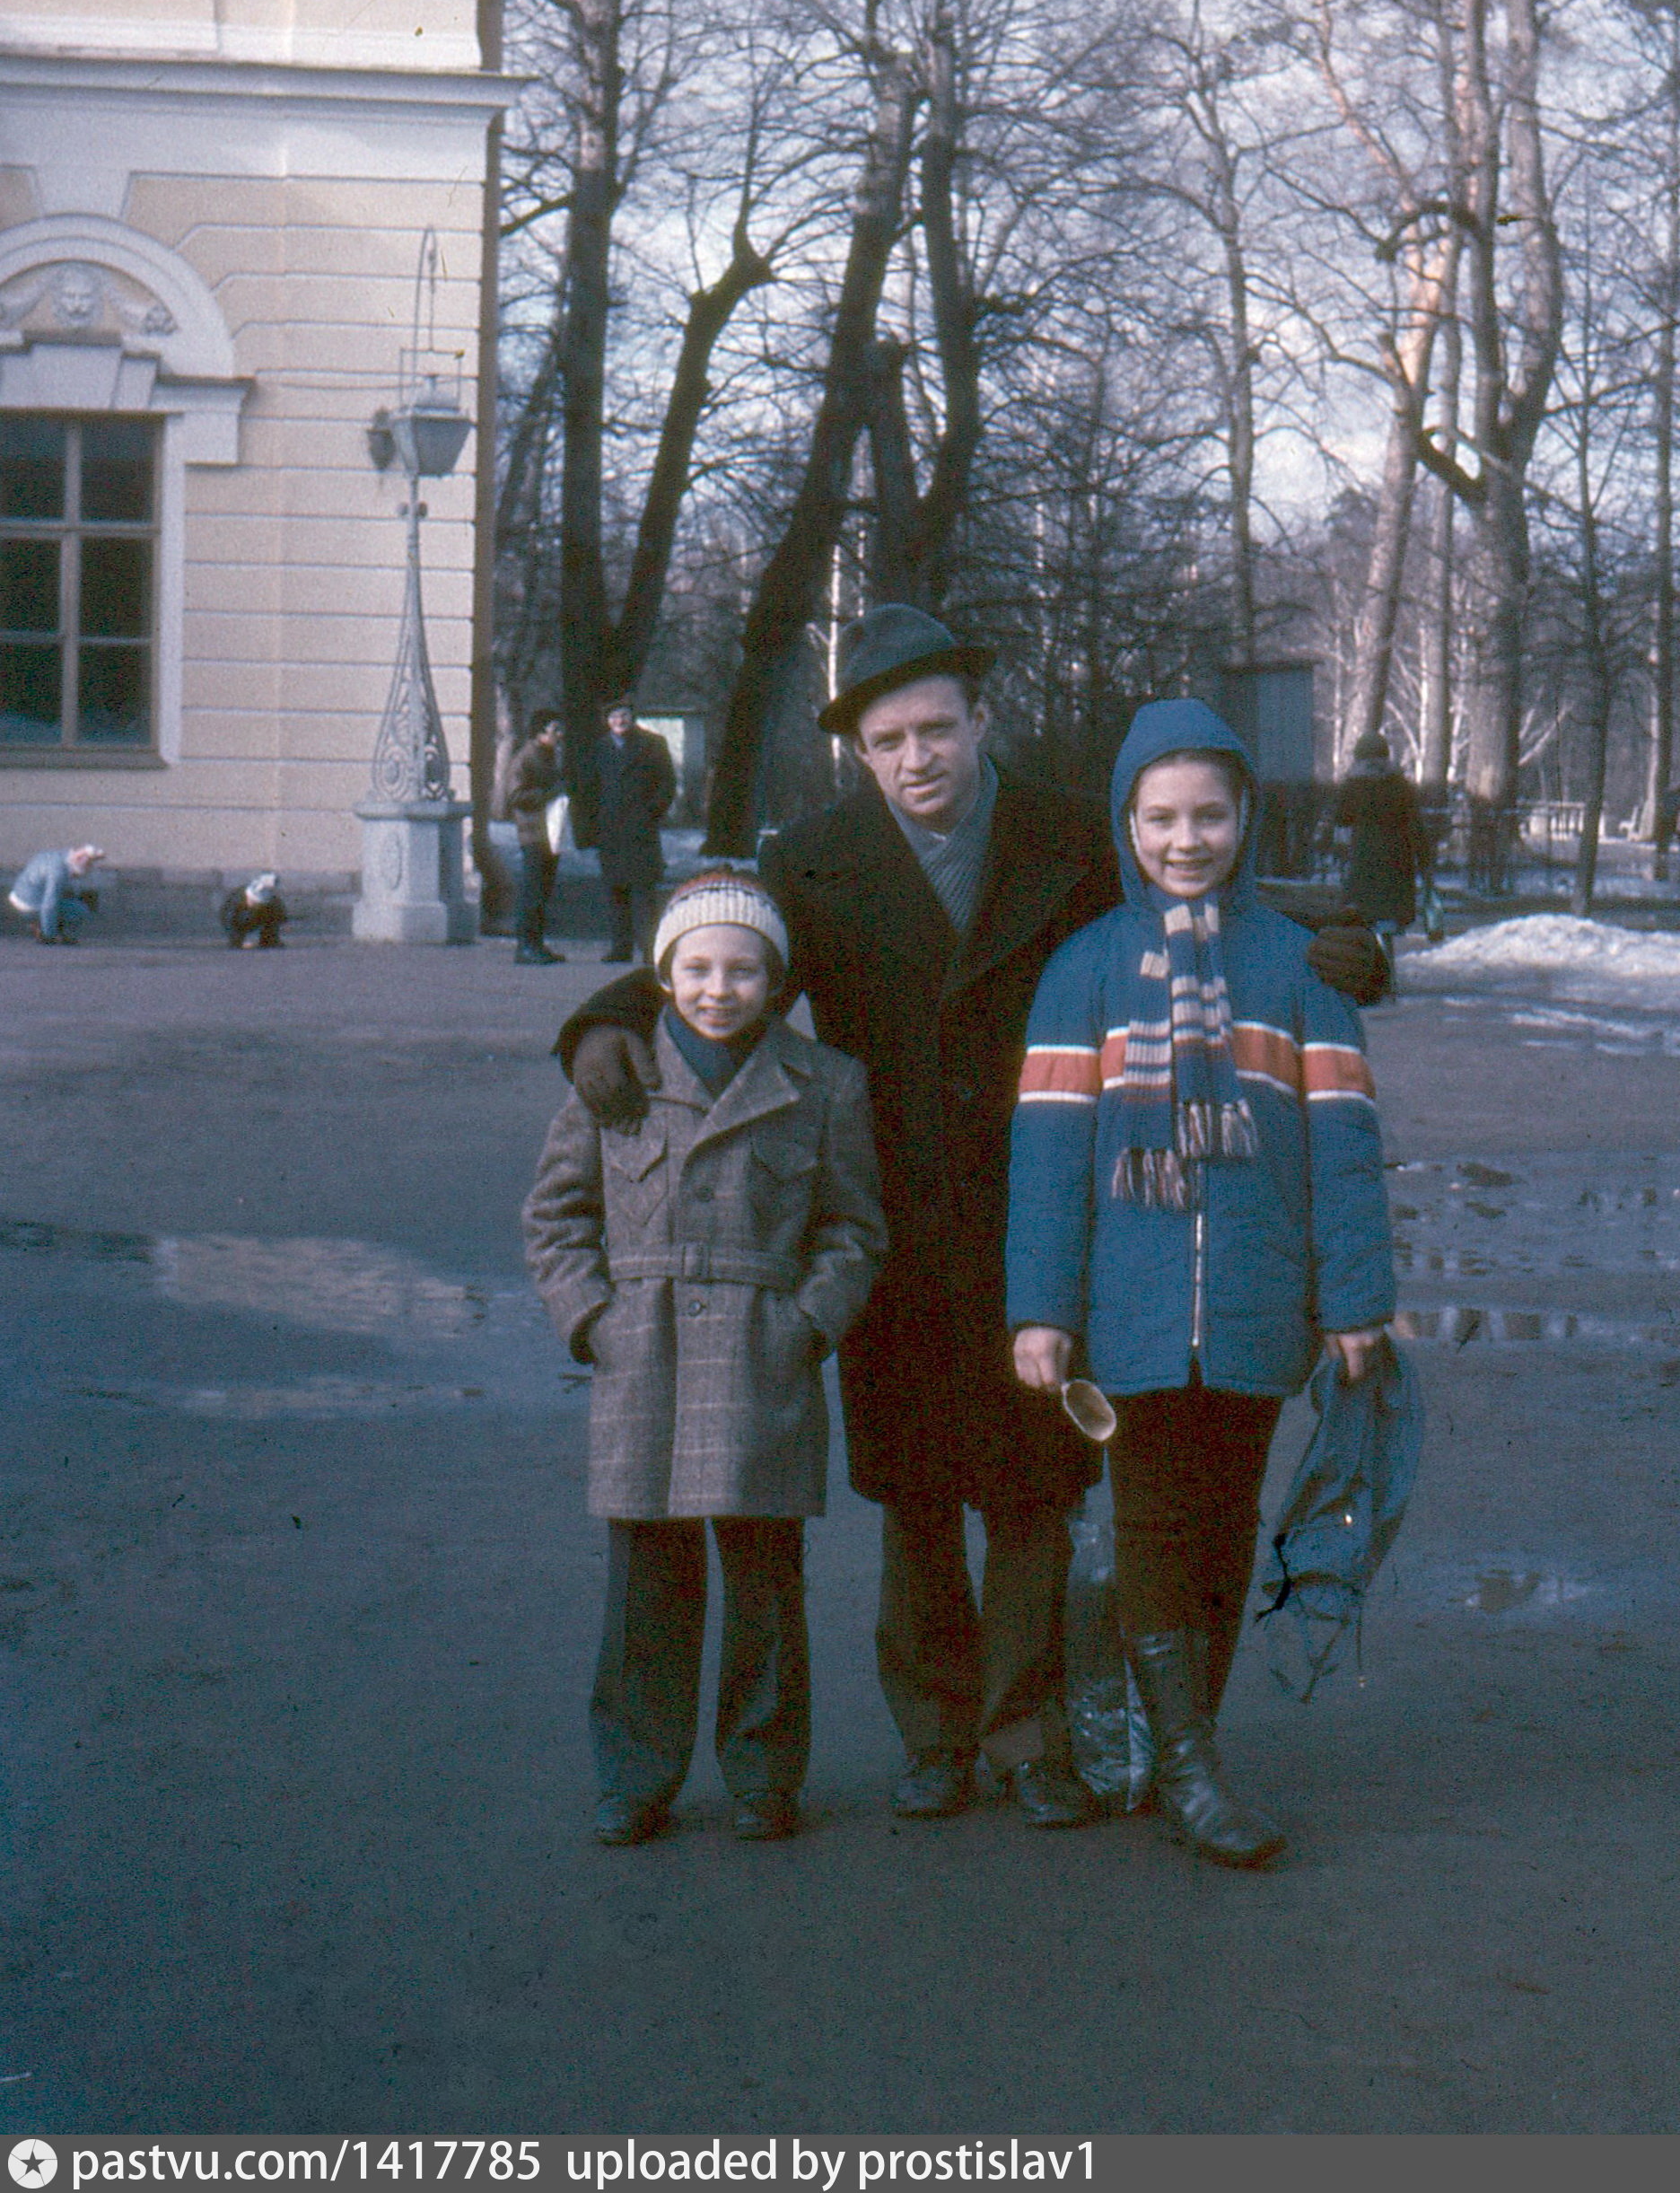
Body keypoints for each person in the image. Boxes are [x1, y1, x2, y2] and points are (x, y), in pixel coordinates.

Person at [556, 606, 1387, 1831]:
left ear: (980, 720)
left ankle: (1029, 1734)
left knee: (1035, 1492)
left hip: (1046, 1209)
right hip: (889, 1217)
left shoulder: (1069, 828)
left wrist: (1341, 941)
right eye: (888, 740)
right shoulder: (814, 855)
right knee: (917, 1499)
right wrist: (602, 1021)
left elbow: (1193, 883)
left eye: (936, 728)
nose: (917, 758)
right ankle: (936, 1734)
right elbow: (724, 951)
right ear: (860, 752)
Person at [1008, 699, 1396, 1869]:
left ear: (1246, 818)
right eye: (1162, 816)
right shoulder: (1082, 968)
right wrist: (1041, 1308)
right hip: (1126, 1314)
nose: (1187, 839)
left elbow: (1344, 1144)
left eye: (1210, 815)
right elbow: (1048, 1157)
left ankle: (1188, 1743)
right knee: (1150, 1525)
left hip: (1255, 1303)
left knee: (1225, 1530)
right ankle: (1187, 1768)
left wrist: (1355, 1299)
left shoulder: (1299, 966)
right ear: (1126, 822)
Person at [523, 870, 886, 1848]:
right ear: (664, 974)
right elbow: (555, 1216)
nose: (718, 989)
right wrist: (594, 1321)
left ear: (777, 981)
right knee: (646, 1582)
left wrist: (807, 1324)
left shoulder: (825, 1083)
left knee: (765, 1579)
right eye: (697, 968)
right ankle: (635, 1775)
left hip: (763, 1358)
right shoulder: (616, 1076)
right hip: (643, 1355)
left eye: (743, 970)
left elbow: (854, 1229)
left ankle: (764, 1774)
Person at [1334, 730, 1431, 964]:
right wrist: (1423, 858)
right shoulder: (1400, 784)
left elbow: (1341, 818)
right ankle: (1388, 962)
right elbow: (1415, 824)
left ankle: (1369, 964)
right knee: (1390, 913)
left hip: (1365, 857)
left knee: (1364, 914)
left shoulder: (1353, 785)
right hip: (1397, 857)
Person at [595, 698, 677, 964]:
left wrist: (651, 811)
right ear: (607, 721)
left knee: (643, 893)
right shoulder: (600, 747)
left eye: (624, 715)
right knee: (615, 891)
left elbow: (667, 783)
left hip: (641, 829)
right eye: (613, 717)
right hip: (610, 830)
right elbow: (590, 787)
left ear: (632, 717)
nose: (619, 721)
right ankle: (620, 947)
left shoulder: (653, 744)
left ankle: (650, 949)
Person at [505, 711, 566, 967]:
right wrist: (549, 794)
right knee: (532, 892)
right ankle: (526, 946)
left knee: (542, 891)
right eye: (555, 730)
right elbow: (515, 796)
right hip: (533, 833)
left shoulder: (549, 755)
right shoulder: (526, 757)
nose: (560, 735)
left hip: (549, 831)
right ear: (540, 733)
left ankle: (536, 944)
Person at [7, 844, 105, 943]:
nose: (73, 878)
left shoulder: (55, 856)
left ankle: (44, 924)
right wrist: (49, 935)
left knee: (67, 897)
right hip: (29, 904)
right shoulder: (58, 873)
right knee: (79, 909)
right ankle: (56, 932)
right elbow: (50, 905)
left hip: (19, 894)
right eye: (74, 875)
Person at [219, 873, 288, 950]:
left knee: (271, 918)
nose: (255, 906)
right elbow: (228, 921)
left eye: (258, 904)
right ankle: (238, 941)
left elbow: (280, 916)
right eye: (253, 903)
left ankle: (268, 941)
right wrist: (238, 941)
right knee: (236, 929)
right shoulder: (234, 902)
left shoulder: (272, 902)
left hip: (258, 919)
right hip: (241, 921)